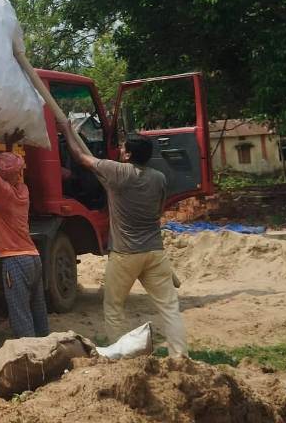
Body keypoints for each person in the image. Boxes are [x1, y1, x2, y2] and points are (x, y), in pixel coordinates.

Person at [55, 119, 188, 357]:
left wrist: (66, 129)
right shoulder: (158, 178)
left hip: (125, 254)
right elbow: (158, 212)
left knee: (114, 307)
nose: (120, 151)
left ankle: (125, 358)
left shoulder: (117, 171)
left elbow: (80, 157)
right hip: (155, 252)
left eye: (123, 148)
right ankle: (180, 356)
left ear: (127, 155)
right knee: (169, 307)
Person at [0, 98, 49, 338]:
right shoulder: (22, 190)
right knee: (38, 311)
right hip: (33, 258)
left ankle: (30, 362)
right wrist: (9, 147)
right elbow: (7, 171)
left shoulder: (4, 194)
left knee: (20, 315)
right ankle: (47, 353)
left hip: (14, 261)